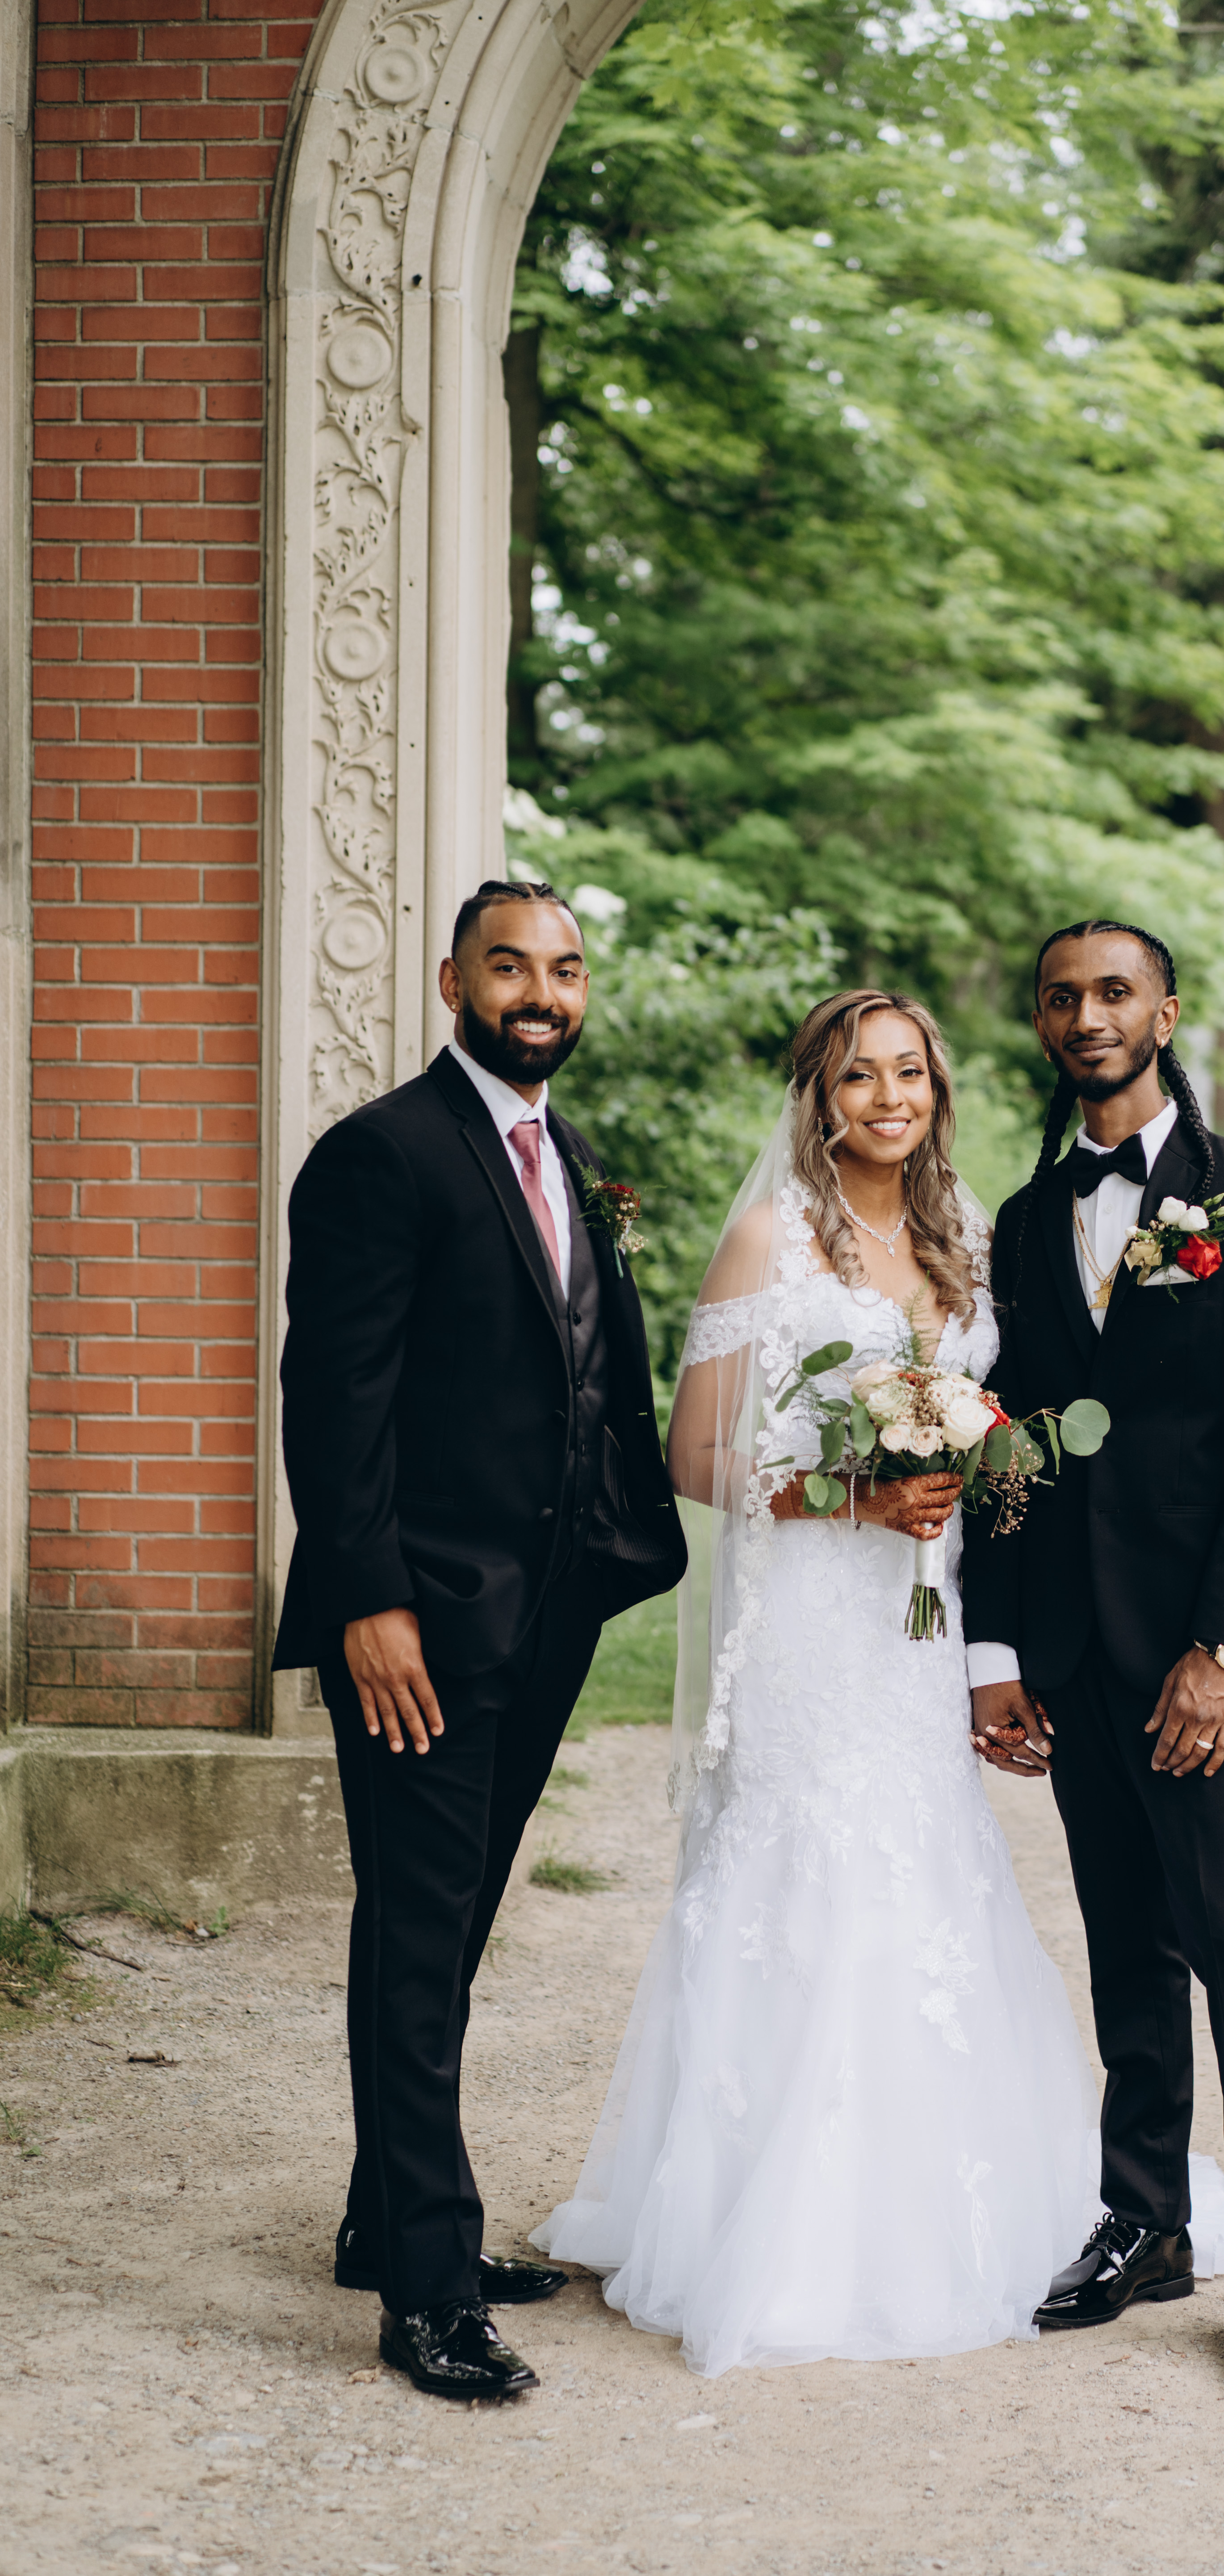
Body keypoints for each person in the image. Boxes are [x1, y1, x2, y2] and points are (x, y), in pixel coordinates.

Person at [531, 989, 1224, 2375]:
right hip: (809, 1621)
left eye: (909, 1073)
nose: (888, 1098)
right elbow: (693, 1457)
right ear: (819, 1096)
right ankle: (774, 2217)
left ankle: (954, 2195)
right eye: (859, 1077)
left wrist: (977, 1487)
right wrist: (847, 1496)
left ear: (936, 1089)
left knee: (928, 1867)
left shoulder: (966, 1230)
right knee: (804, 1871)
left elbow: (1004, 1424)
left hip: (922, 1620)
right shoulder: (770, 1240)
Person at [273, 879, 687, 2400]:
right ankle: (429, 2293)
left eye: (564, 970)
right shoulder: (381, 1154)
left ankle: (387, 2217)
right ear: (453, 981)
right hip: (421, 1623)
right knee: (414, 1932)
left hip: (545, 1609)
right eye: (509, 967)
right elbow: (333, 1399)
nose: (540, 994)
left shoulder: (561, 1152)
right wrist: (366, 1600)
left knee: (450, 1926)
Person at [964, 918, 1224, 2396]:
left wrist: (1222, 1649)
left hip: (1195, 1656)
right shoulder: (1019, 1218)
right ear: (1042, 1024)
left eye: (1113, 992)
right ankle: (1144, 2220)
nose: (1086, 1016)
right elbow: (1003, 1450)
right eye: (1060, 997)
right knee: (1123, 1941)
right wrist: (997, 1648)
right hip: (1068, 1649)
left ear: (1163, 1015)